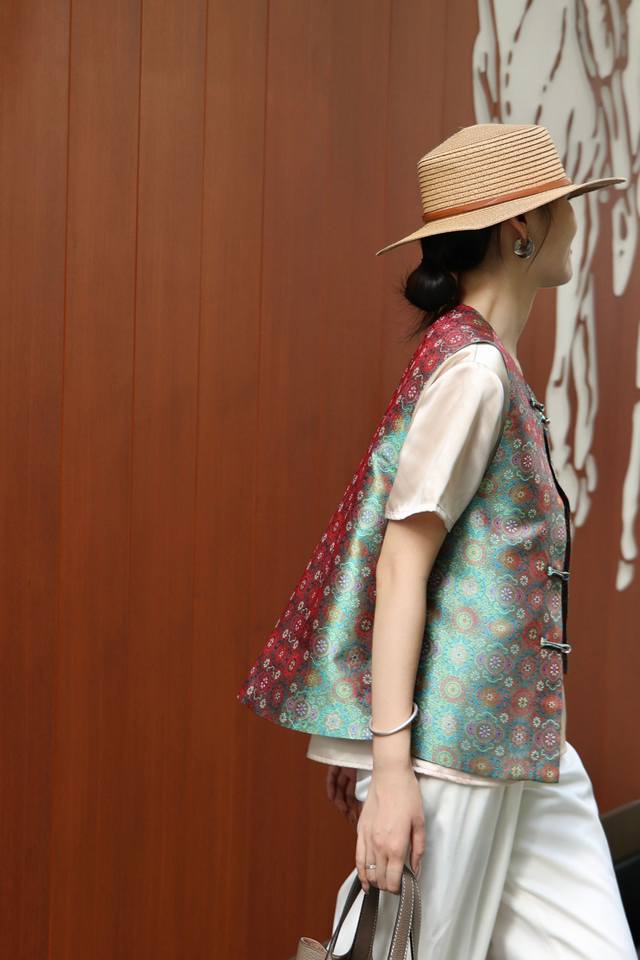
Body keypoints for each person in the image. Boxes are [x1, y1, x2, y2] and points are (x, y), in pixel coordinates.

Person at [236, 123, 636, 958]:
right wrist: (389, 770)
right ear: (522, 229)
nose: (575, 221)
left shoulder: (482, 361)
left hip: (524, 745)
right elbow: (400, 561)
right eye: (561, 206)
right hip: (457, 748)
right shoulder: (475, 372)